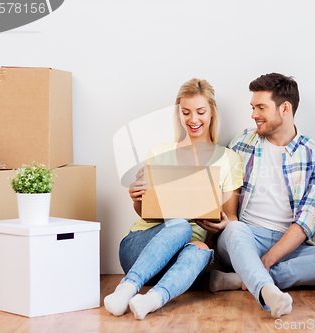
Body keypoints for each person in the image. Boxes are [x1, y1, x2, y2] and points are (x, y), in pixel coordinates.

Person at [104, 79, 243, 320]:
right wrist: (136, 197)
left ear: (212, 112)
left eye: (200, 112)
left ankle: (151, 300)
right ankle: (126, 289)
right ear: (178, 113)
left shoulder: (229, 159)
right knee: (179, 225)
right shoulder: (159, 153)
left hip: (183, 265)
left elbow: (231, 216)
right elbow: (145, 212)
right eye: (186, 112)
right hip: (140, 249)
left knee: (202, 248)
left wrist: (223, 224)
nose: (193, 119)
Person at [199, 73, 315, 318]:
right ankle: (266, 290)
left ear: (285, 108)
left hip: (292, 244)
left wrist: (267, 260)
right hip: (245, 237)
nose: (253, 114)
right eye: (252, 107)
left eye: (261, 107)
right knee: (235, 229)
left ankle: (244, 278)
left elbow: (306, 222)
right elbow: (220, 194)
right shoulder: (241, 144)